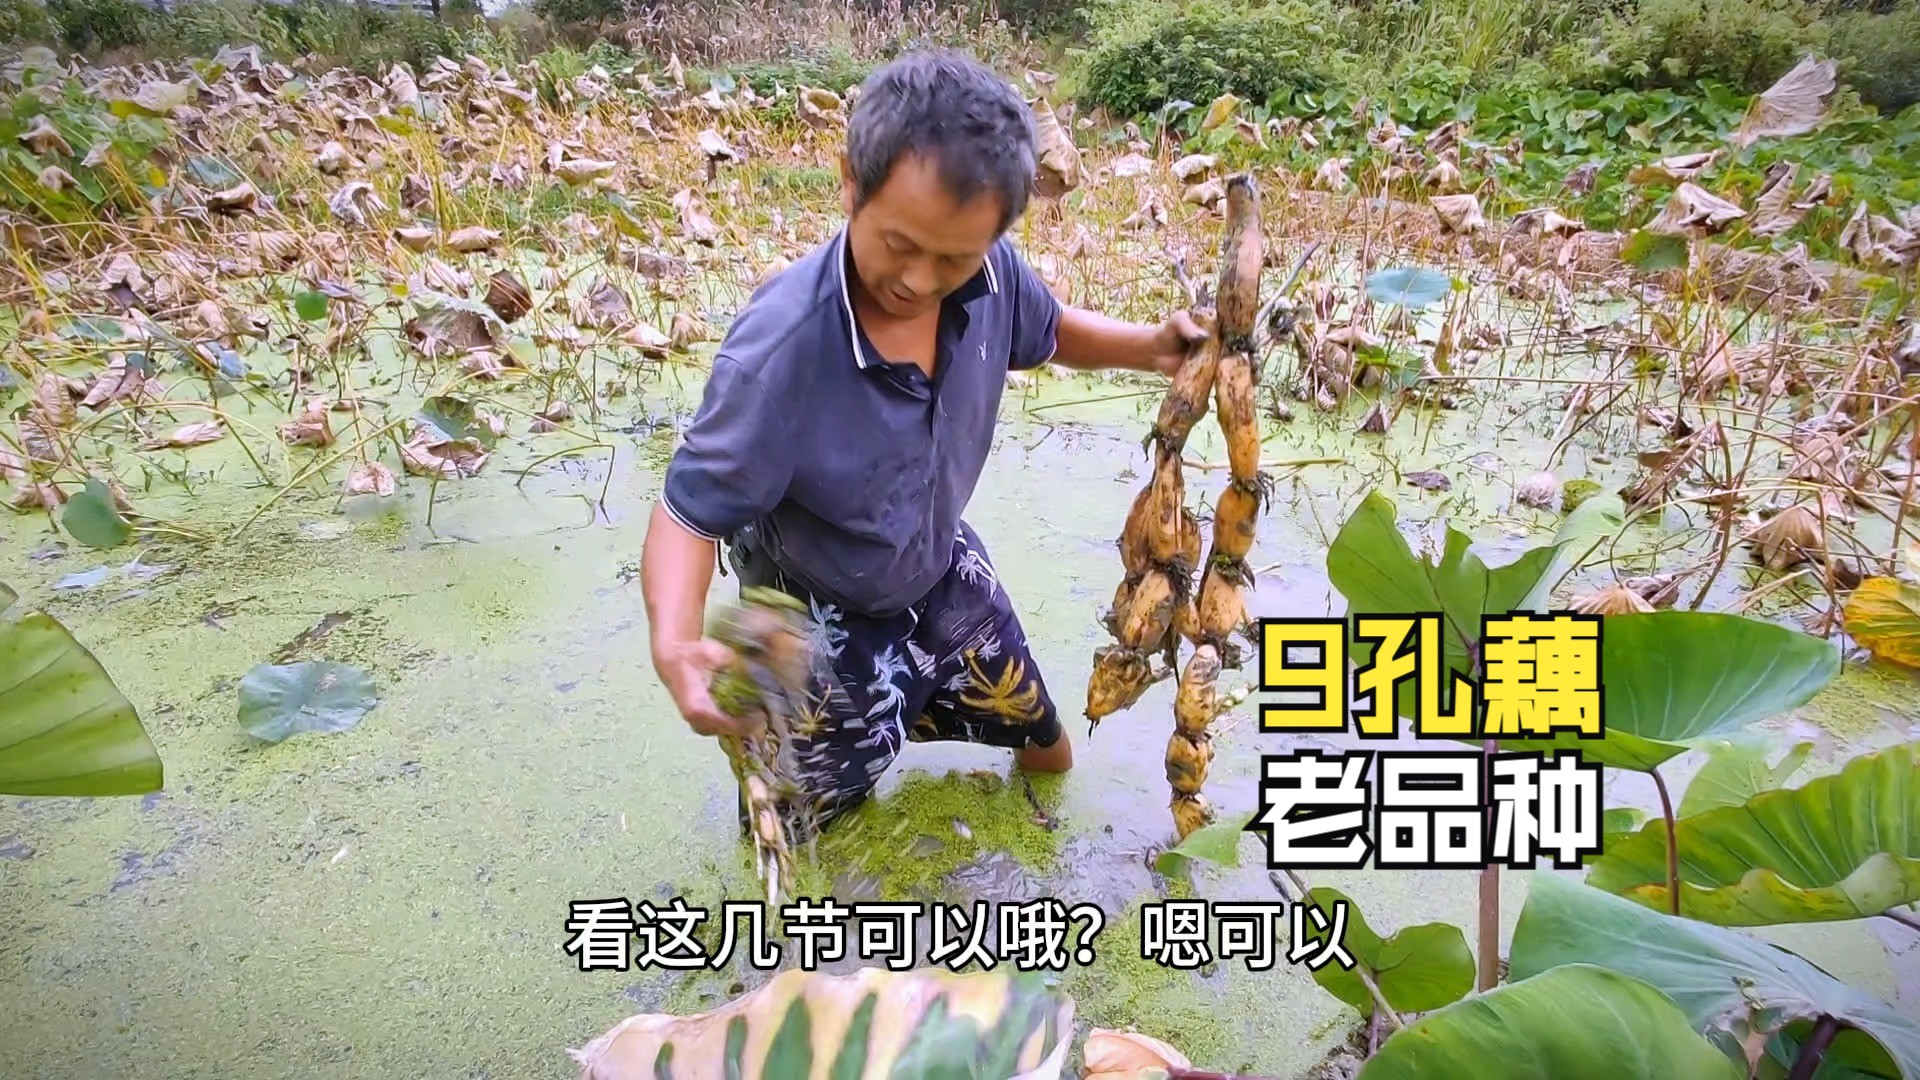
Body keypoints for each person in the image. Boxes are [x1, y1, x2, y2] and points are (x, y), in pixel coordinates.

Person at [640, 49, 1206, 833]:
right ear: (850, 182)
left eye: (953, 258)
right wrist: (673, 640)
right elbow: (688, 515)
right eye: (898, 244)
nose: (917, 279)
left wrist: (1150, 347)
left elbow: (1049, 330)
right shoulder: (779, 355)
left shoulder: (995, 275)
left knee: (1045, 741)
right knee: (790, 831)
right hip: (815, 617)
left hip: (939, 569)